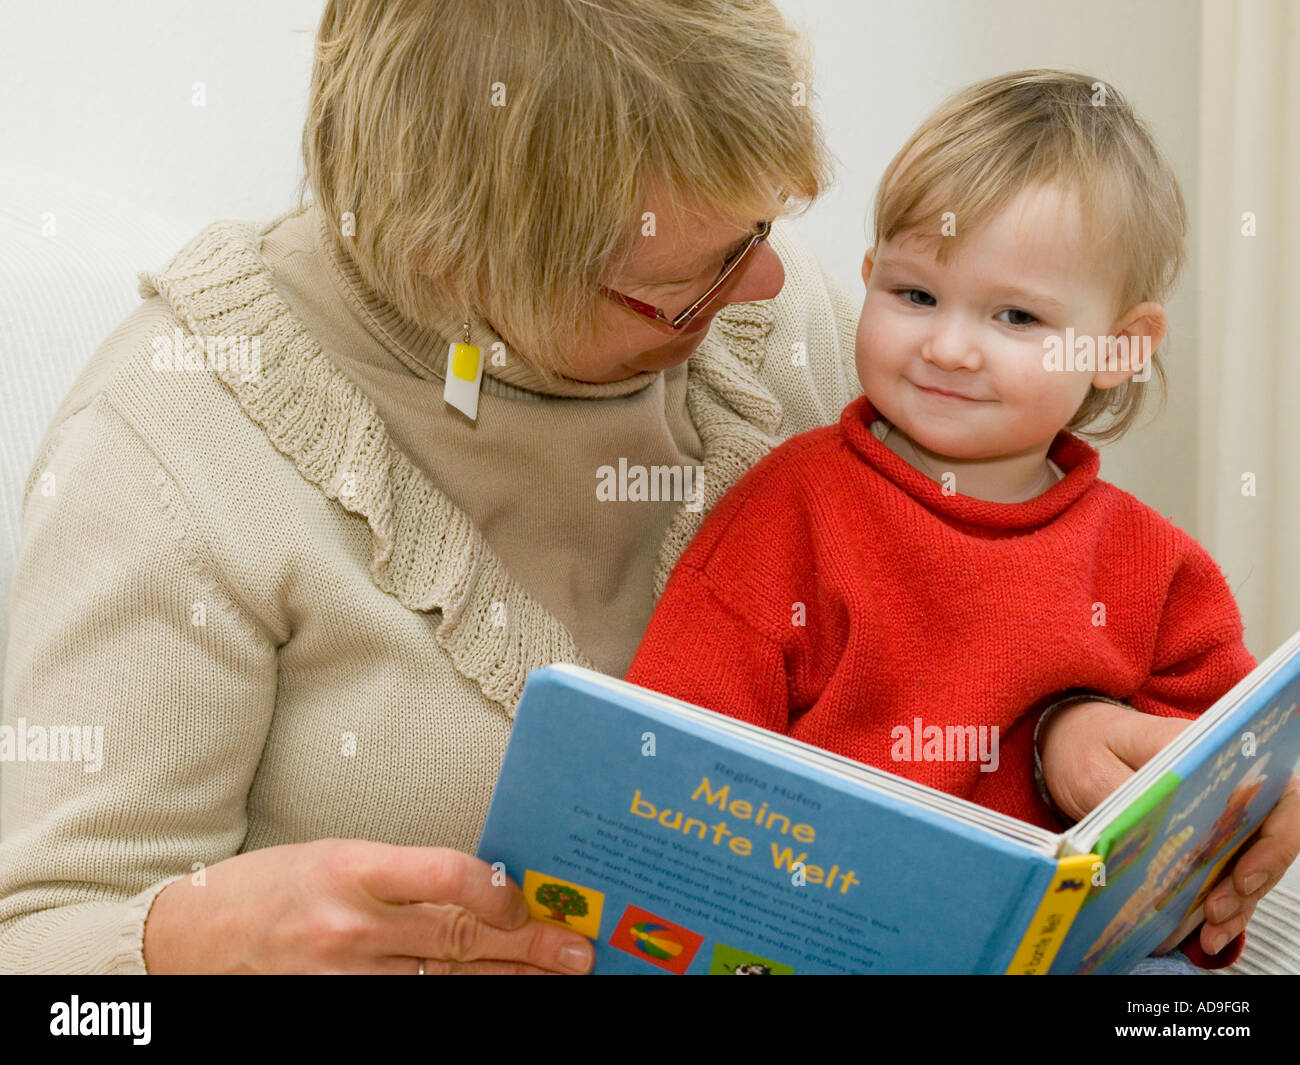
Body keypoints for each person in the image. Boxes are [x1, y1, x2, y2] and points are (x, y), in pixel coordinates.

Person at [0, 3, 1291, 974]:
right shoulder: (178, 432)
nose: (777, 294)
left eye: (766, 233)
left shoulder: (791, 331)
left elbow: (998, 607)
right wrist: (176, 941)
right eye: (689, 279)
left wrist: (1105, 747)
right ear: (458, 255)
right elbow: (42, 948)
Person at [625, 69, 1297, 970]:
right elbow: (672, 755)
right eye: (915, 295)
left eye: (1016, 315)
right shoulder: (792, 506)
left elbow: (1216, 811)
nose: (948, 346)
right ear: (869, 279)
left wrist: (1215, 866)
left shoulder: (1155, 567)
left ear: (1121, 347)